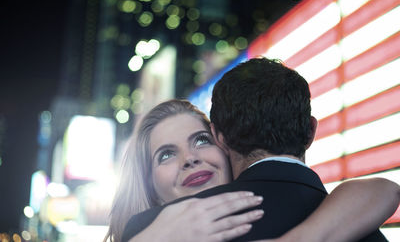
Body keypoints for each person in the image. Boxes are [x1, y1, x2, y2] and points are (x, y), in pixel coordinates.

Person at [105, 95, 399, 241]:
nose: (189, 158)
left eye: (201, 140)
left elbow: (383, 190)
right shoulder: (143, 231)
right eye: (166, 155)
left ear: (225, 144)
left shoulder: (307, 210)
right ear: (149, 185)